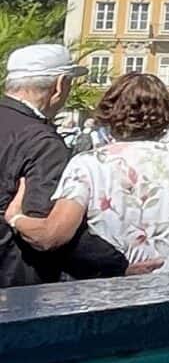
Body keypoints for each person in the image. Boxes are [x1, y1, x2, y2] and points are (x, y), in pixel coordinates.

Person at [7, 70, 169, 277]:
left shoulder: (88, 164)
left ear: (111, 110)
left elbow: (53, 236)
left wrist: (15, 217)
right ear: (165, 114)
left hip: (112, 286)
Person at [0, 42, 127, 286]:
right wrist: (118, 264)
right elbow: (46, 229)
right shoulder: (43, 142)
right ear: (59, 86)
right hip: (15, 279)